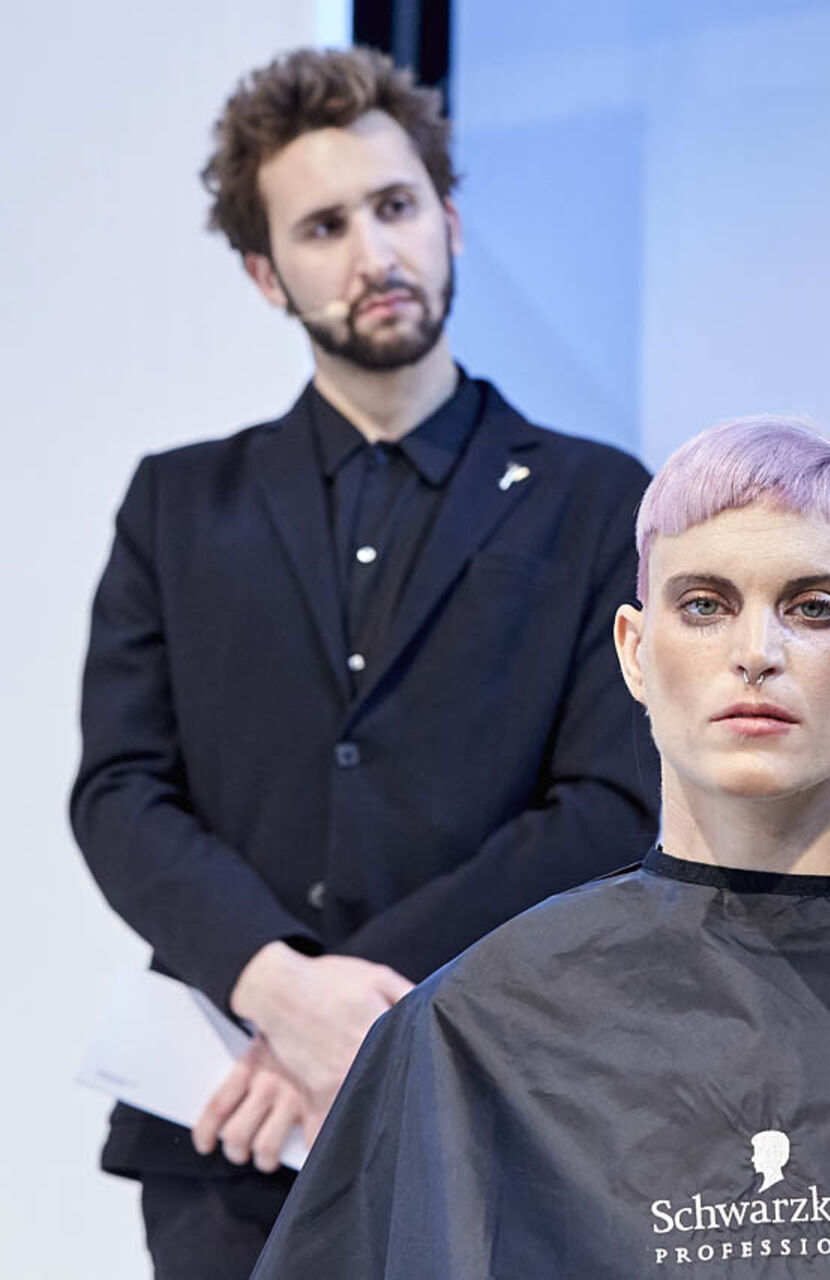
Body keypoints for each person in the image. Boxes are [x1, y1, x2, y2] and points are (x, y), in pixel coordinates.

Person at [251, 417, 830, 1279]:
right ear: (634, 650)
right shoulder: (469, 1036)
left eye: (813, 608)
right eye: (705, 605)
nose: (757, 652)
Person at [69, 47, 659, 1278]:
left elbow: (611, 802)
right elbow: (120, 791)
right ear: (265, 272)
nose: (373, 253)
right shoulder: (178, 504)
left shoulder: (601, 499)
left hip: (502, 1113)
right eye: (323, 226)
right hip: (233, 1127)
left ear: (449, 220)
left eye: (395, 207)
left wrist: (355, 1014)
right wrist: (279, 986)